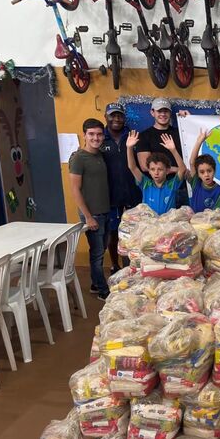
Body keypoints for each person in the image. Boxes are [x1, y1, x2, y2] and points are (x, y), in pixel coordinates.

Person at [68, 118, 111, 299]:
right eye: (91, 134)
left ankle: (95, 283)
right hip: (92, 214)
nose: (96, 138)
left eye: (99, 134)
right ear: (84, 135)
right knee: (97, 254)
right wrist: (88, 217)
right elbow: (75, 189)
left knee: (101, 250)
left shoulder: (100, 155)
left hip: (105, 210)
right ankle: (103, 290)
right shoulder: (78, 158)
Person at [100, 102, 141, 274]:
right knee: (113, 232)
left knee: (135, 231)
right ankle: (115, 264)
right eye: (113, 115)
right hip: (111, 194)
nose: (116, 119)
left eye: (119, 115)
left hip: (133, 192)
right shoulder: (100, 138)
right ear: (106, 117)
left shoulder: (132, 135)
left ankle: (133, 264)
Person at [134, 98, 189, 207]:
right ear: (152, 112)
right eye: (159, 111)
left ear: (170, 113)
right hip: (158, 190)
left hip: (181, 189)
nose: (163, 114)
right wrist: (176, 169)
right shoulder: (144, 136)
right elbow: (145, 166)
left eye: (166, 111)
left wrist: (188, 120)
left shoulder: (180, 133)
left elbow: (196, 139)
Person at [126, 130, 187, 214]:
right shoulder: (145, 183)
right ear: (149, 171)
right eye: (152, 169)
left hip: (167, 223)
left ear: (167, 170)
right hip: (150, 223)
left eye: (160, 169)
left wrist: (173, 150)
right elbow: (132, 167)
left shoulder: (172, 185)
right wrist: (129, 148)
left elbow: (182, 169)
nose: (156, 172)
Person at [187, 128, 220, 212]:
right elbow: (192, 163)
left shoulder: (219, 190)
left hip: (211, 224)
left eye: (209, 171)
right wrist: (199, 141)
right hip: (195, 223)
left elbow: (219, 213)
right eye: (202, 172)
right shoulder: (196, 184)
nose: (206, 174)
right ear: (198, 173)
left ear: (214, 171)